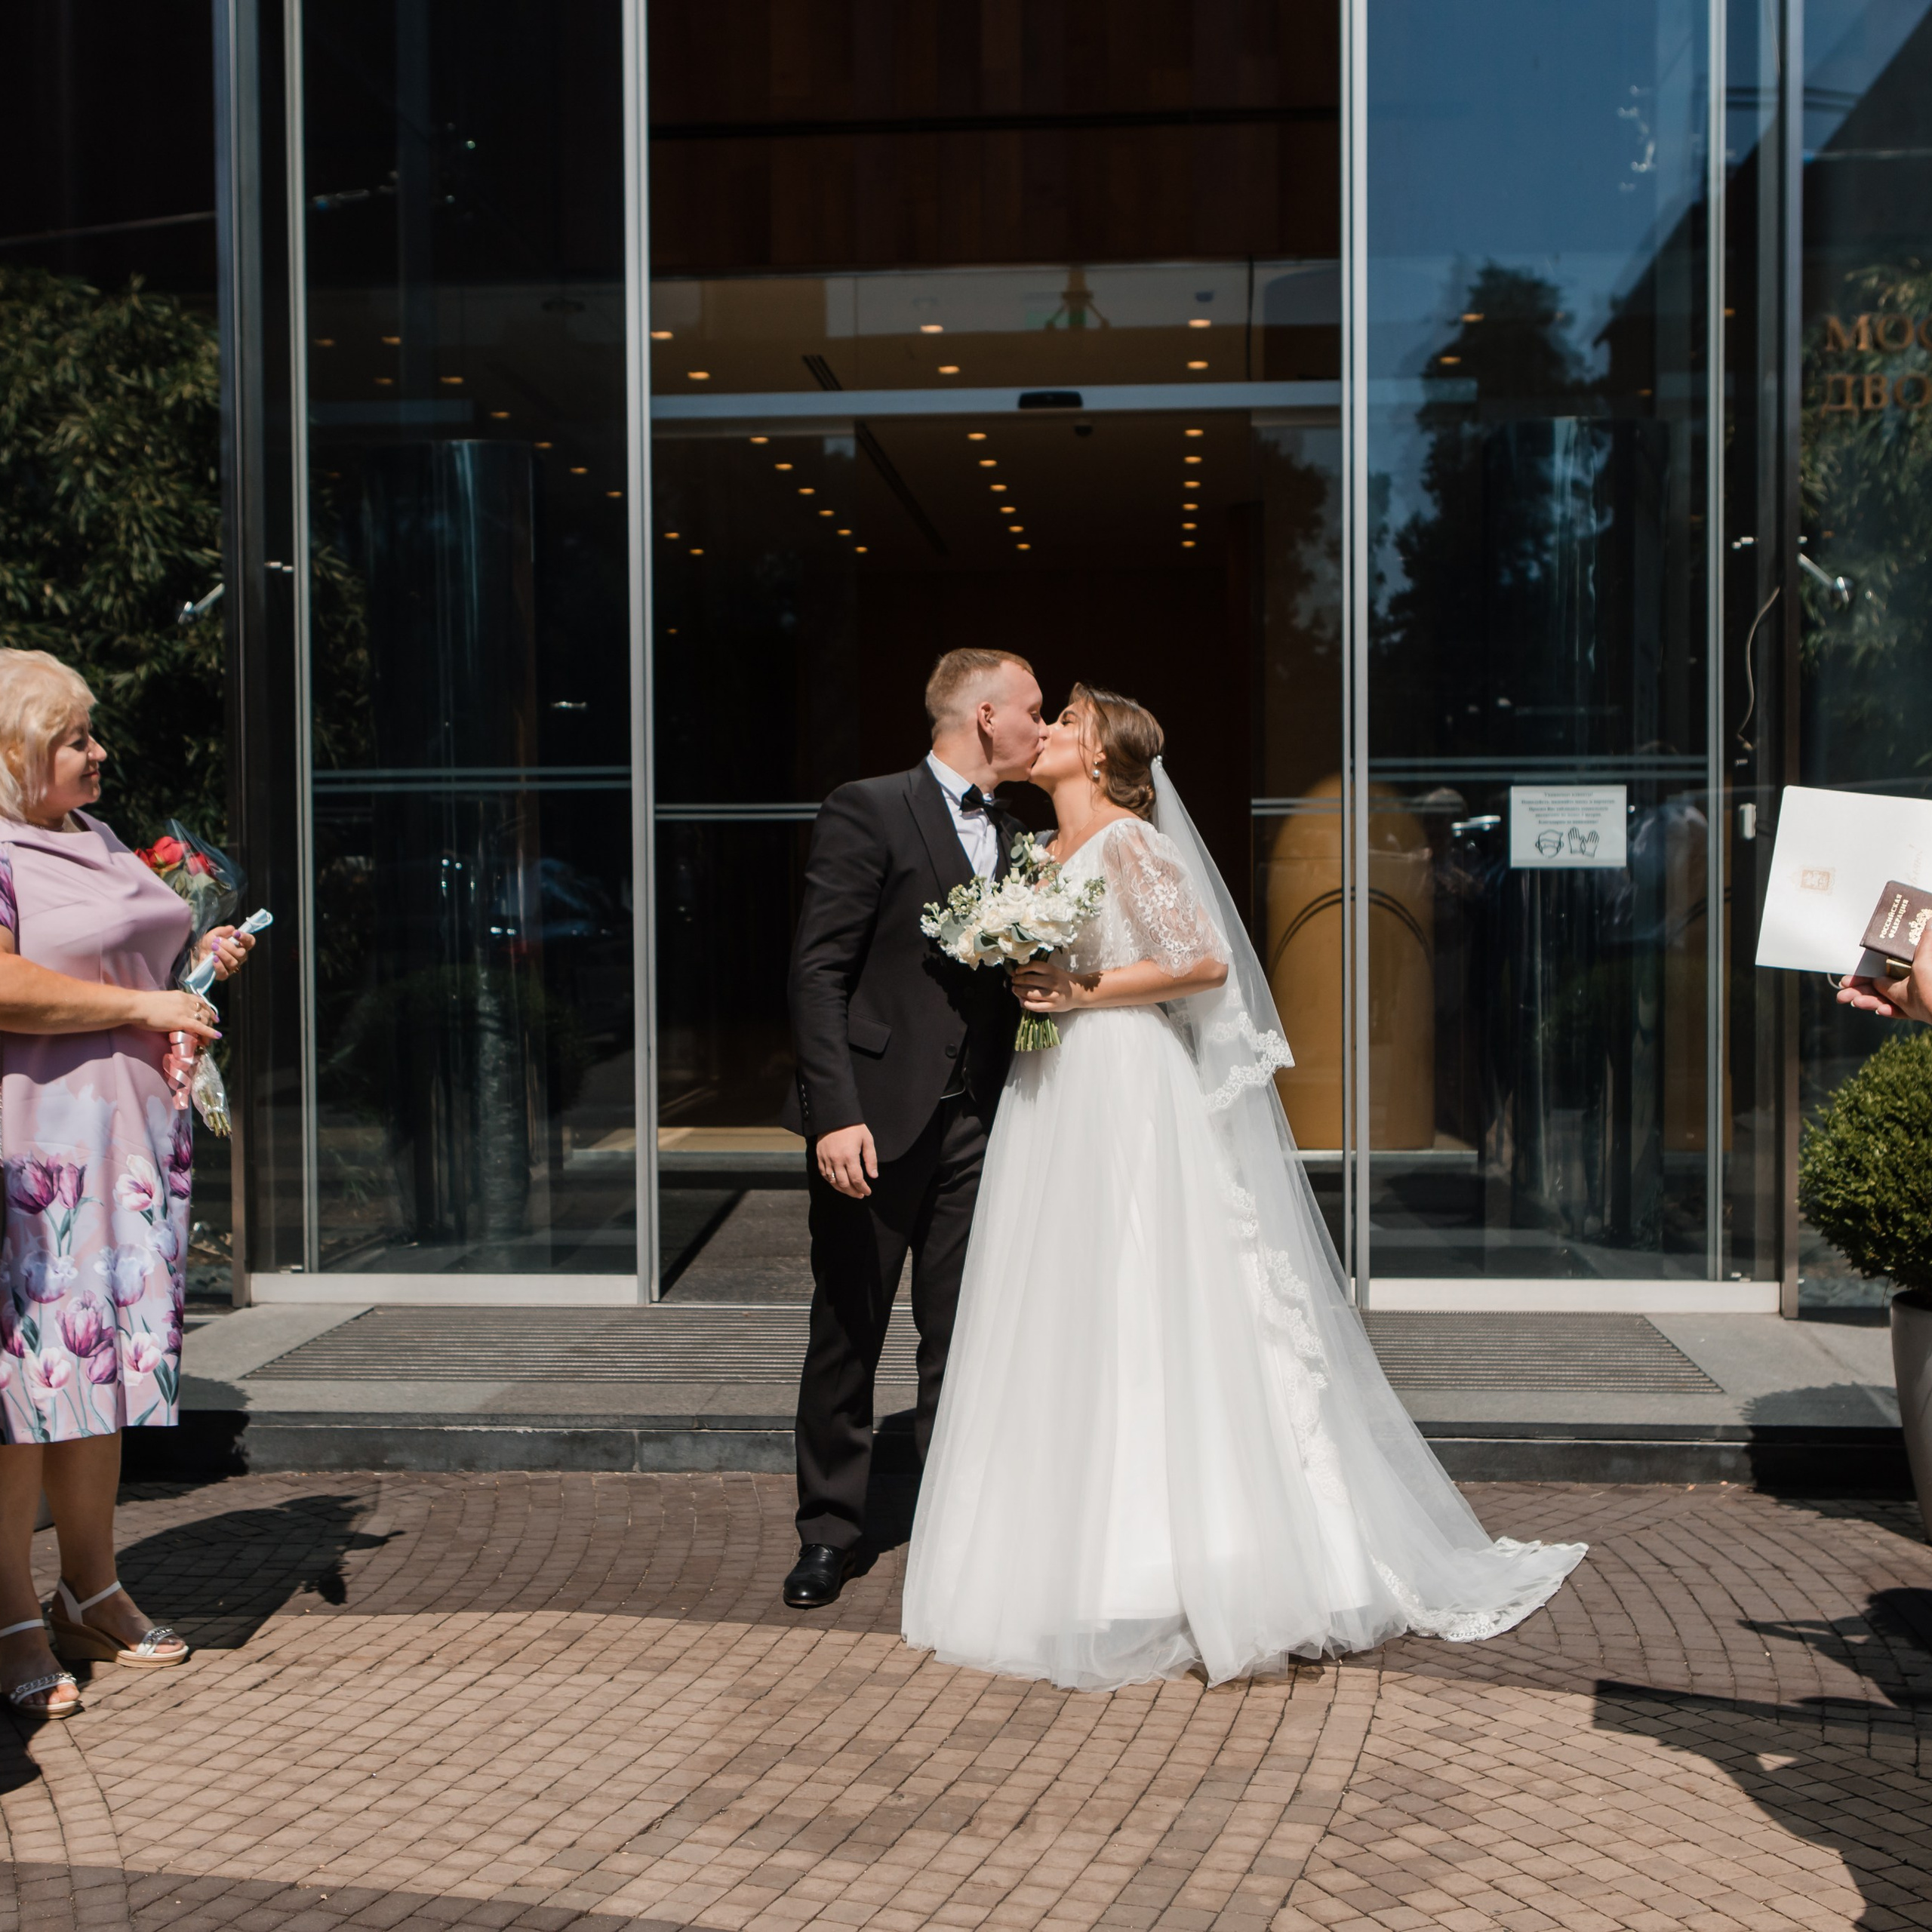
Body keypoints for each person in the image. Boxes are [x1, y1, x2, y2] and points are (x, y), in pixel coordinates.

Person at [901, 685, 1586, 1690]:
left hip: (1128, 1081)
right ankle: (1070, 1552)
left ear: (1099, 757)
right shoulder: (1037, 856)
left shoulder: (1133, 843)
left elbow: (1205, 964)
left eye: (1067, 723)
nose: (1044, 732)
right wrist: (1028, 975)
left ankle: (1197, 1556)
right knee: (1067, 1305)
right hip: (1054, 1086)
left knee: (1151, 1299)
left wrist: (1079, 990)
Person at [0, 650, 254, 1718]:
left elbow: (117, 968)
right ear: (16, 753)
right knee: (25, 1394)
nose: (98, 753)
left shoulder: (95, 836)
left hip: (124, 1150)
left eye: (92, 733)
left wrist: (193, 965)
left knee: (94, 1382)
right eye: (75, 738)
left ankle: (92, 1589)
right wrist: (146, 1012)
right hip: (36, 1158)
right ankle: (12, 1614)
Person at [780, 648, 1047, 1608]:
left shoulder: (1020, 838)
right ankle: (831, 1532)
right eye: (1031, 709)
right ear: (983, 715)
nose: (1041, 726)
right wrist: (835, 1112)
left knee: (959, 1335)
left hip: (977, 1120)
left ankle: (952, 1530)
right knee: (848, 1329)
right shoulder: (870, 806)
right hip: (872, 1119)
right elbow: (817, 971)